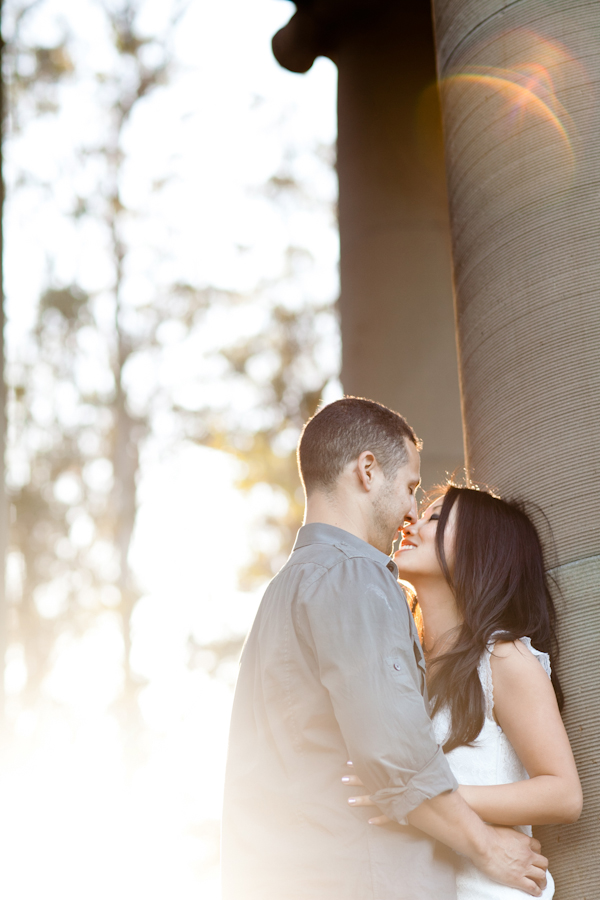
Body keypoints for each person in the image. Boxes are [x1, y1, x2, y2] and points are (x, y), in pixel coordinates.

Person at [221, 398, 548, 899]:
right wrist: (488, 848)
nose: (412, 513)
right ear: (368, 470)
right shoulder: (355, 575)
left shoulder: (289, 587)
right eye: (412, 488)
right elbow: (396, 756)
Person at [346, 484, 582, 899]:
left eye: (434, 517)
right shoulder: (405, 665)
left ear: (481, 550)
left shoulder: (503, 659)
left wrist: (425, 796)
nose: (411, 525)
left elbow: (563, 794)